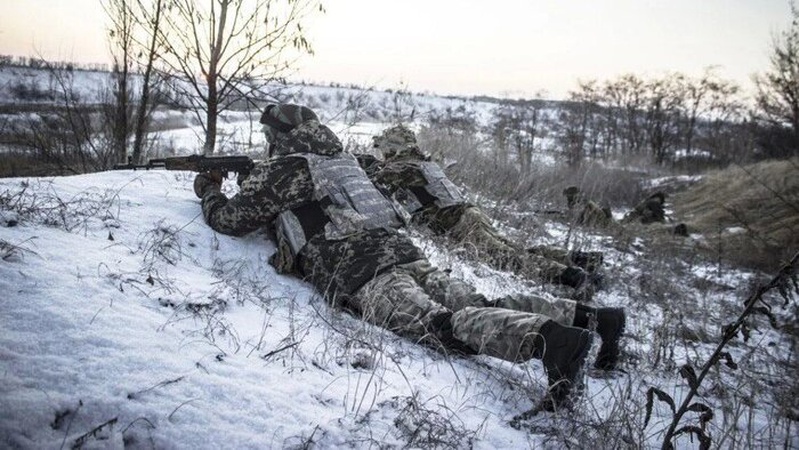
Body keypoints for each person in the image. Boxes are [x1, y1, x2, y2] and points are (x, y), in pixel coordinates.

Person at [193, 104, 625, 410]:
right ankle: (591, 319)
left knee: (439, 327)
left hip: (362, 269)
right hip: (404, 252)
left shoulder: (286, 168)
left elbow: (232, 220)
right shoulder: (346, 160)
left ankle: (552, 343)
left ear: (277, 137)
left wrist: (209, 190)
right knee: (478, 304)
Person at [362, 124, 604, 296]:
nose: (381, 153)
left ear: (394, 148)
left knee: (508, 259)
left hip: (459, 223)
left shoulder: (403, 166)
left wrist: (358, 162)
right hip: (468, 215)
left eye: (384, 149)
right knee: (513, 250)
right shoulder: (422, 161)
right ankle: (579, 259)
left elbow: (375, 179)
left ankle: (573, 277)